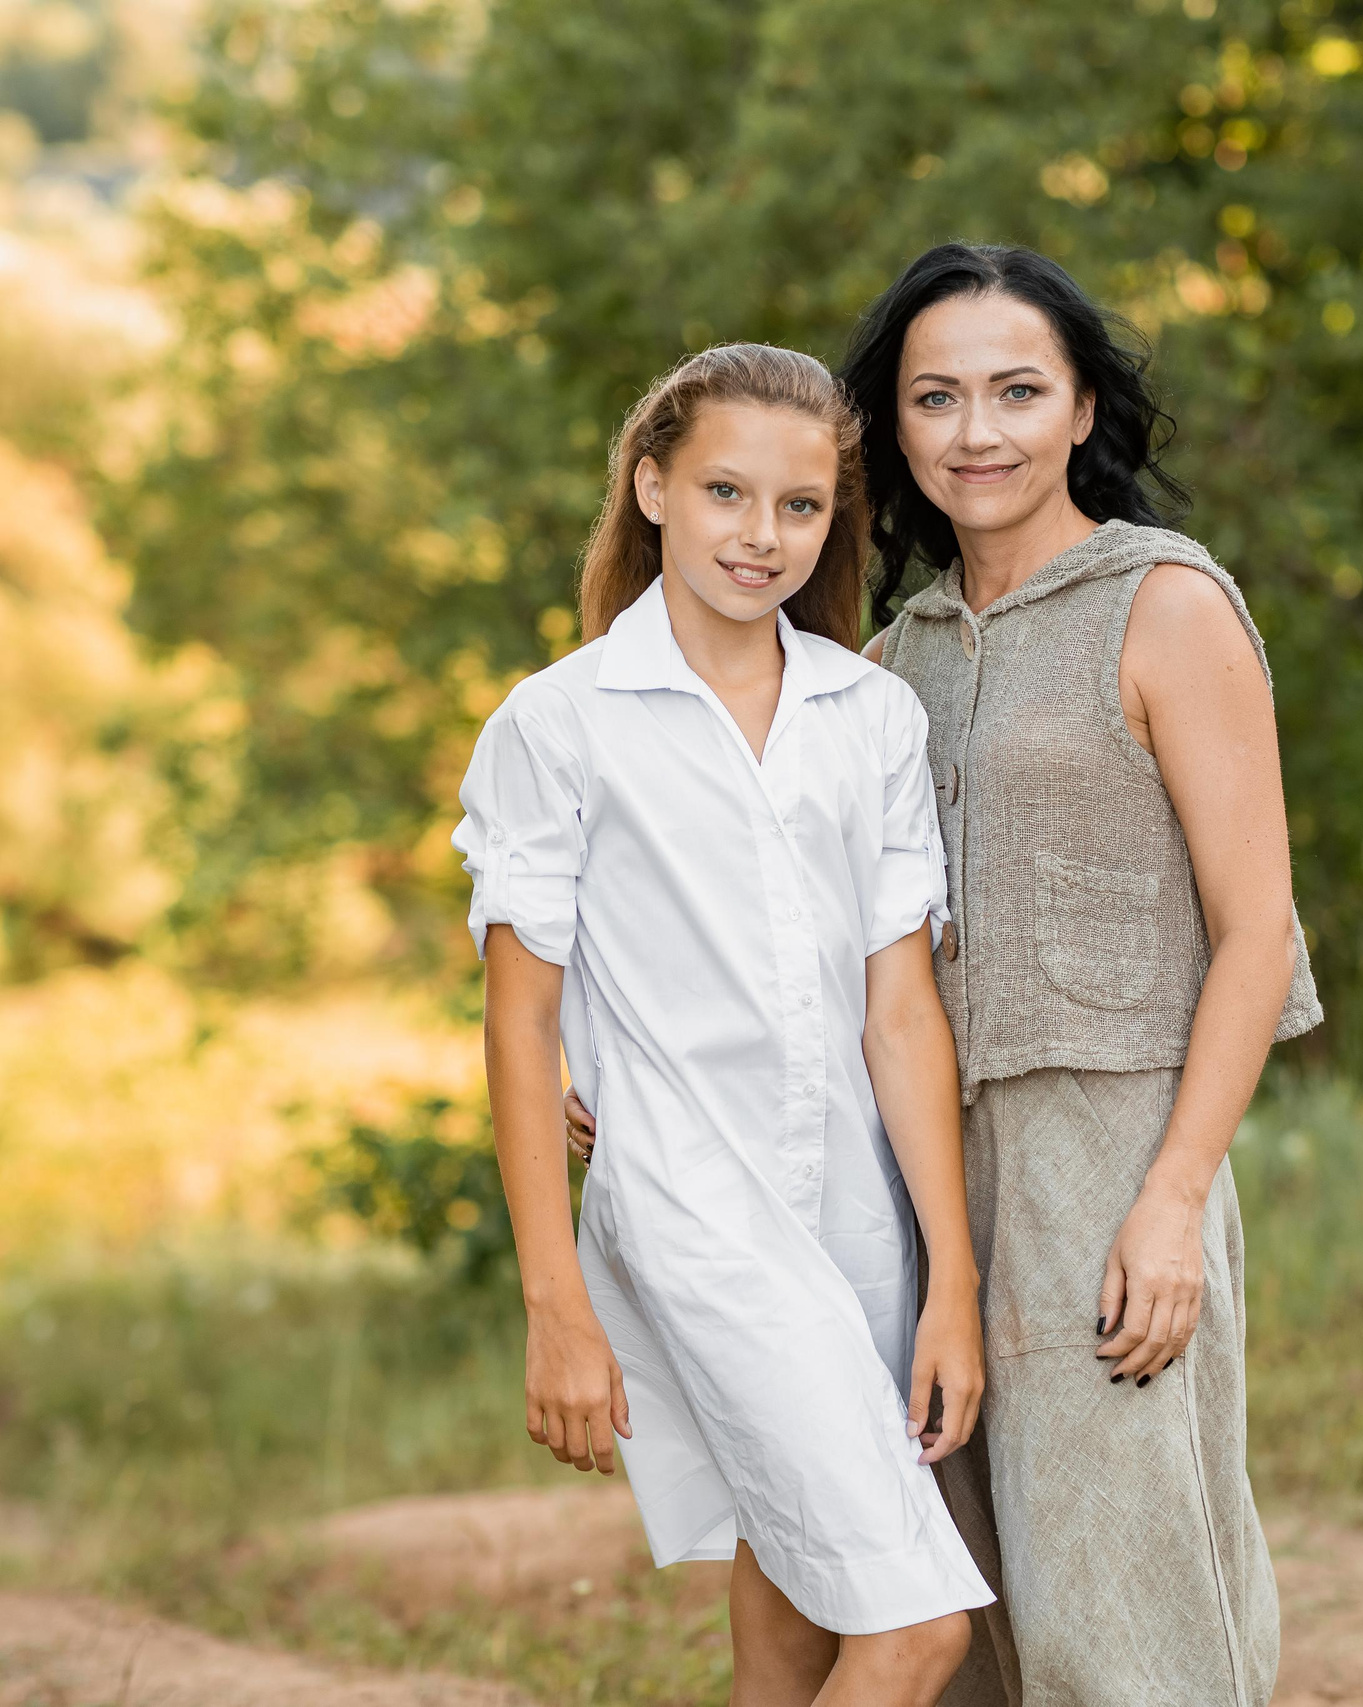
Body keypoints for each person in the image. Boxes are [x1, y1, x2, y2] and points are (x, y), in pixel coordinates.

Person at [576, 245, 1323, 1704]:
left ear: (1083, 408)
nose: (977, 432)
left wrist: (1170, 1204)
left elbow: (1258, 933)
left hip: (1104, 1159)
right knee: (950, 1581)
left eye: (1017, 392)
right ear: (894, 430)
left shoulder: (1162, 606)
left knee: (1122, 1568)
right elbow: (769, 924)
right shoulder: (884, 659)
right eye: (936, 398)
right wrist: (629, 1086)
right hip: (899, 1178)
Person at [456, 343, 994, 1707]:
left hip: (858, 1218)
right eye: (725, 494)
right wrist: (553, 1305)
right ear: (652, 487)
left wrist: (951, 1281)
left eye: (800, 507)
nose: (763, 538)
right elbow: (520, 1031)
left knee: (799, 1584)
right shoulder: (559, 726)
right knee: (921, 1626)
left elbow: (900, 1016)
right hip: (696, 1215)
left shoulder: (870, 717)